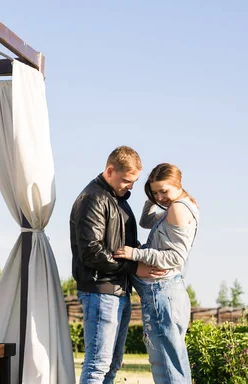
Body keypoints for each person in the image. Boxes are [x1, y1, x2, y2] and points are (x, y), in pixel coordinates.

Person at [70, 146, 166, 384]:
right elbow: (91, 253)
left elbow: (125, 245)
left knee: (112, 366)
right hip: (100, 290)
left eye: (133, 182)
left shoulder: (117, 199)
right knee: (97, 366)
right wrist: (134, 268)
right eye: (126, 180)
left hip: (118, 290)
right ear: (110, 170)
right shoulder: (93, 198)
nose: (130, 187)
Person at [114, 163, 199, 384]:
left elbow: (175, 258)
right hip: (167, 293)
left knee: (168, 370)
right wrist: (153, 198)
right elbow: (145, 221)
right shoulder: (177, 205)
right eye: (155, 192)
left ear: (178, 184)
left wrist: (136, 254)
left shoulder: (178, 209)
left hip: (162, 293)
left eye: (164, 191)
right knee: (172, 365)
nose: (160, 197)